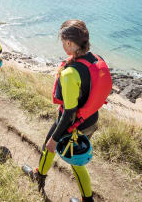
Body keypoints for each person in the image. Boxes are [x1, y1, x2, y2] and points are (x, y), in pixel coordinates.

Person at [31, 20, 111, 202]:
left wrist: (54, 139)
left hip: (72, 123)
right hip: (91, 119)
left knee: (48, 148)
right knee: (77, 160)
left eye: (62, 42)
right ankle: (87, 199)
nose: (62, 46)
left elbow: (69, 112)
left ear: (68, 42)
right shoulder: (97, 59)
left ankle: (38, 176)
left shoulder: (70, 73)